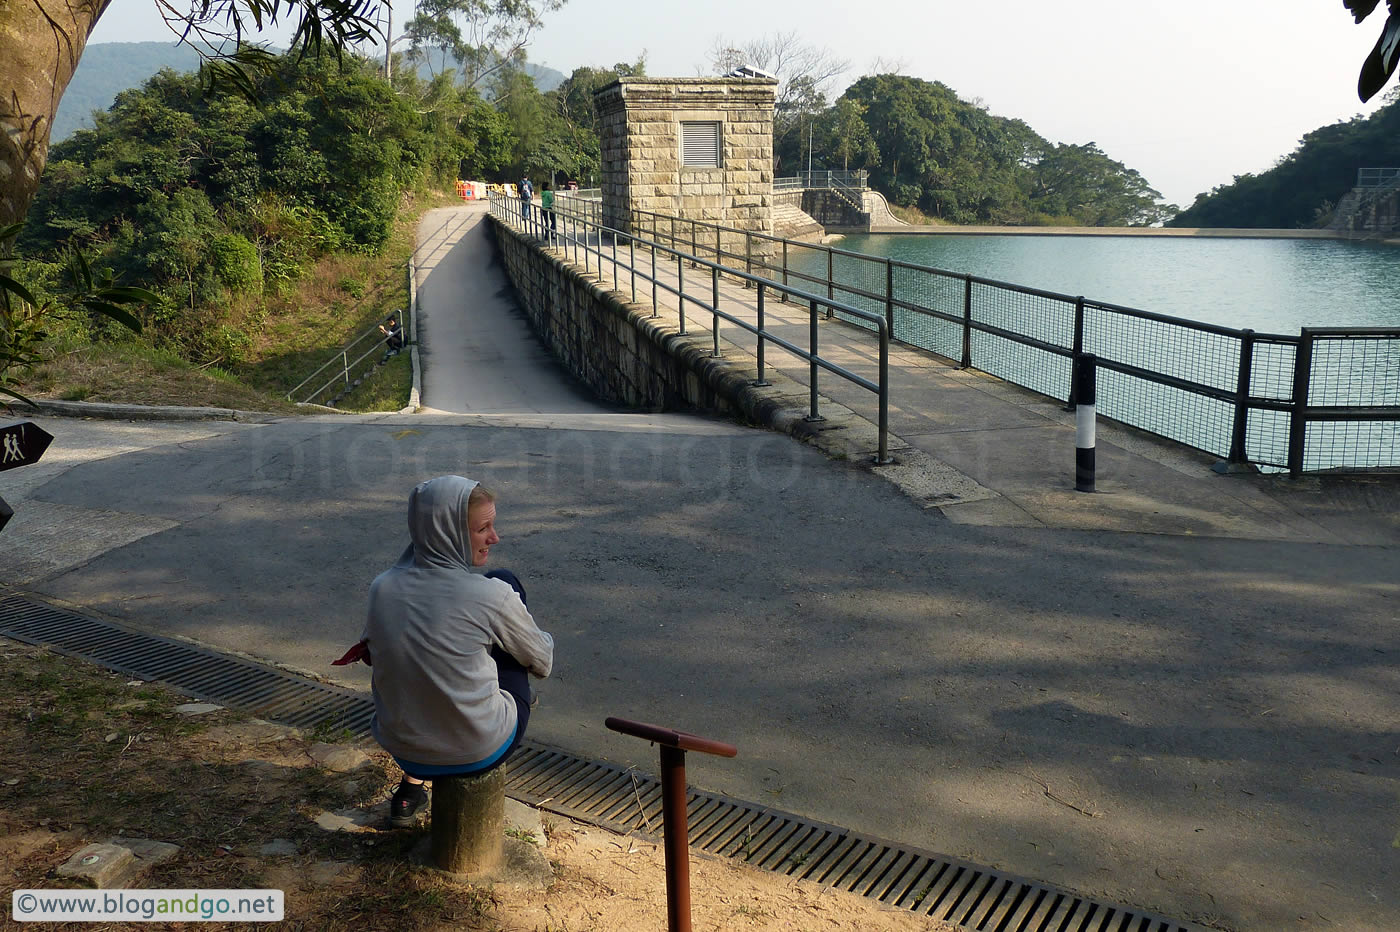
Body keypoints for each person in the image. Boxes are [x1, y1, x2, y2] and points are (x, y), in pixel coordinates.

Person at [336, 476, 554, 828]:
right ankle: (509, 699)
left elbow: (382, 656)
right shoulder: (491, 596)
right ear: (448, 533)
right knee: (507, 582)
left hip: (402, 747)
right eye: (483, 528)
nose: (494, 537)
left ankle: (412, 784)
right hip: (478, 751)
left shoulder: (382, 587)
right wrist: (528, 630)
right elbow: (542, 662)